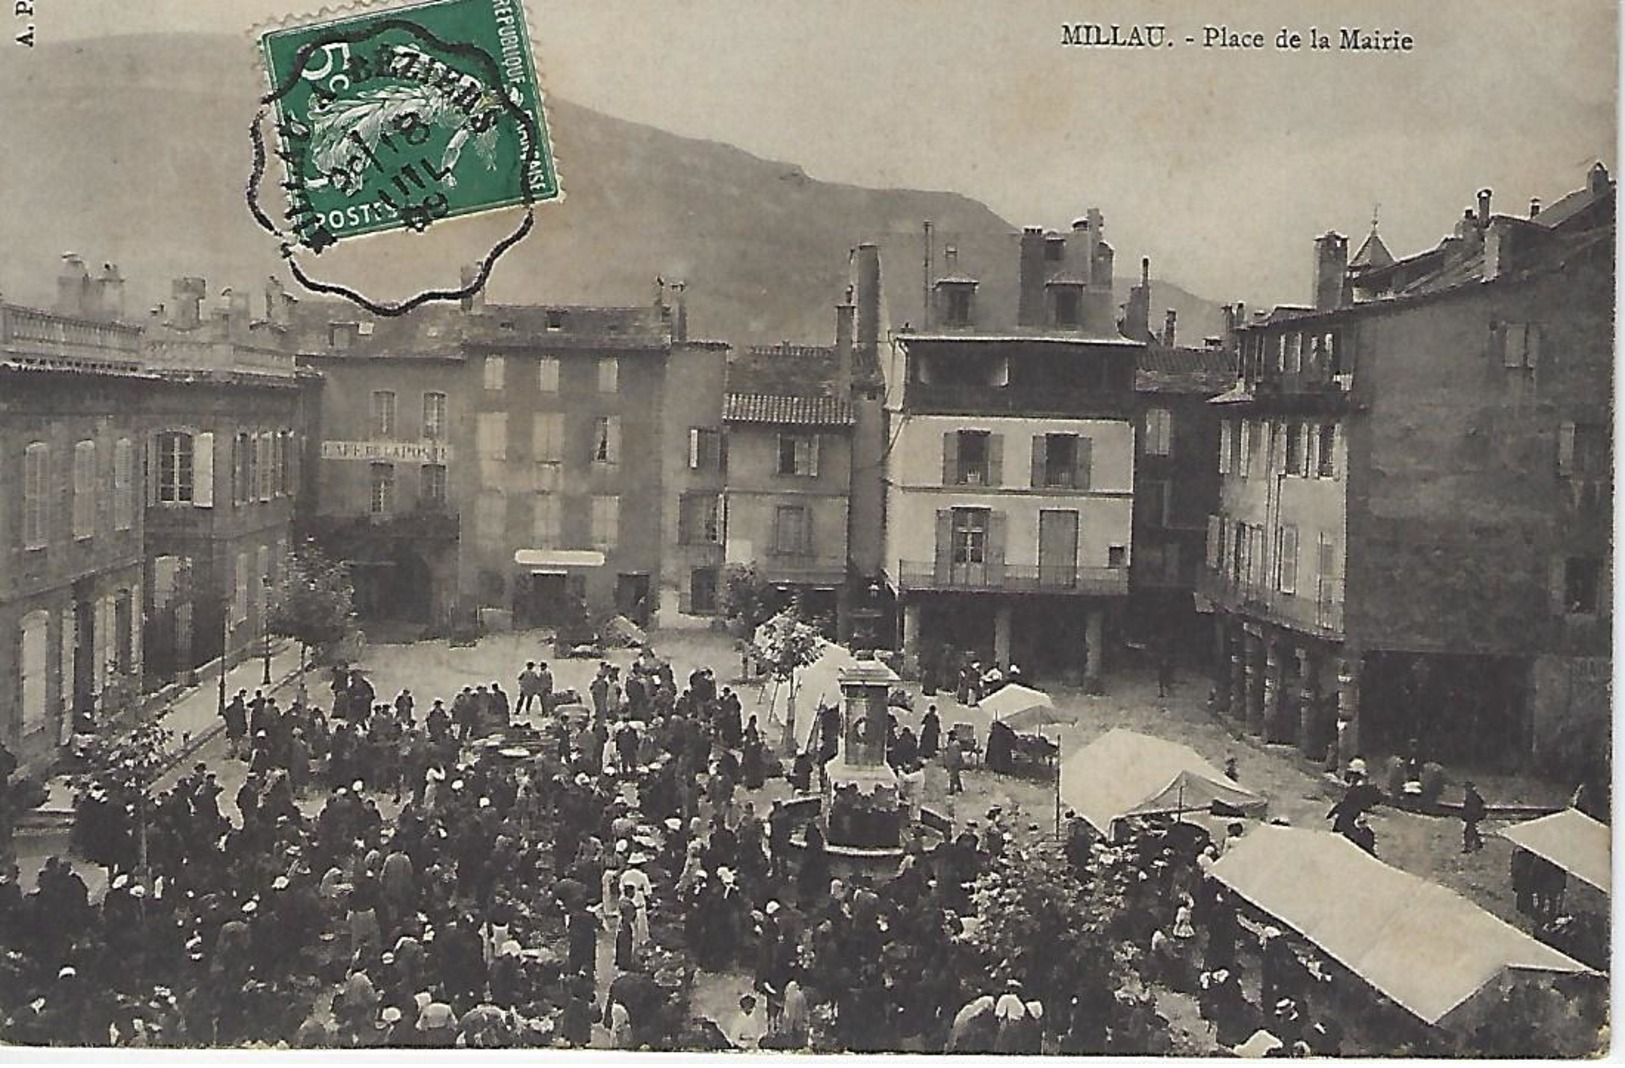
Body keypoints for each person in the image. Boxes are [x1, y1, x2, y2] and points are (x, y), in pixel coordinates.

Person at [1460, 780, 1486, 853]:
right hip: (1472, 816)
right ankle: (1478, 843)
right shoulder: (1472, 796)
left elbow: (1470, 807)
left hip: (1472, 816)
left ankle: (1468, 847)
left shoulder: (1472, 796)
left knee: (1468, 832)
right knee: (1472, 831)